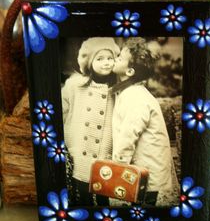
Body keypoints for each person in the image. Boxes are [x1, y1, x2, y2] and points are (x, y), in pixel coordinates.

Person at [111, 38, 173, 206]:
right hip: (145, 169)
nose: (115, 58)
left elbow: (128, 136)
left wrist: (117, 171)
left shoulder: (135, 96)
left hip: (150, 173)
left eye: (120, 58)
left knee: (144, 210)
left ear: (130, 72)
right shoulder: (130, 92)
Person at [62, 37, 120, 206]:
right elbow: (63, 109)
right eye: (100, 59)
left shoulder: (117, 87)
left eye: (110, 58)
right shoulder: (75, 85)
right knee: (82, 189)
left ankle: (105, 219)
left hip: (104, 147)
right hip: (80, 147)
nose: (106, 63)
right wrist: (68, 139)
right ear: (89, 62)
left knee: (103, 189)